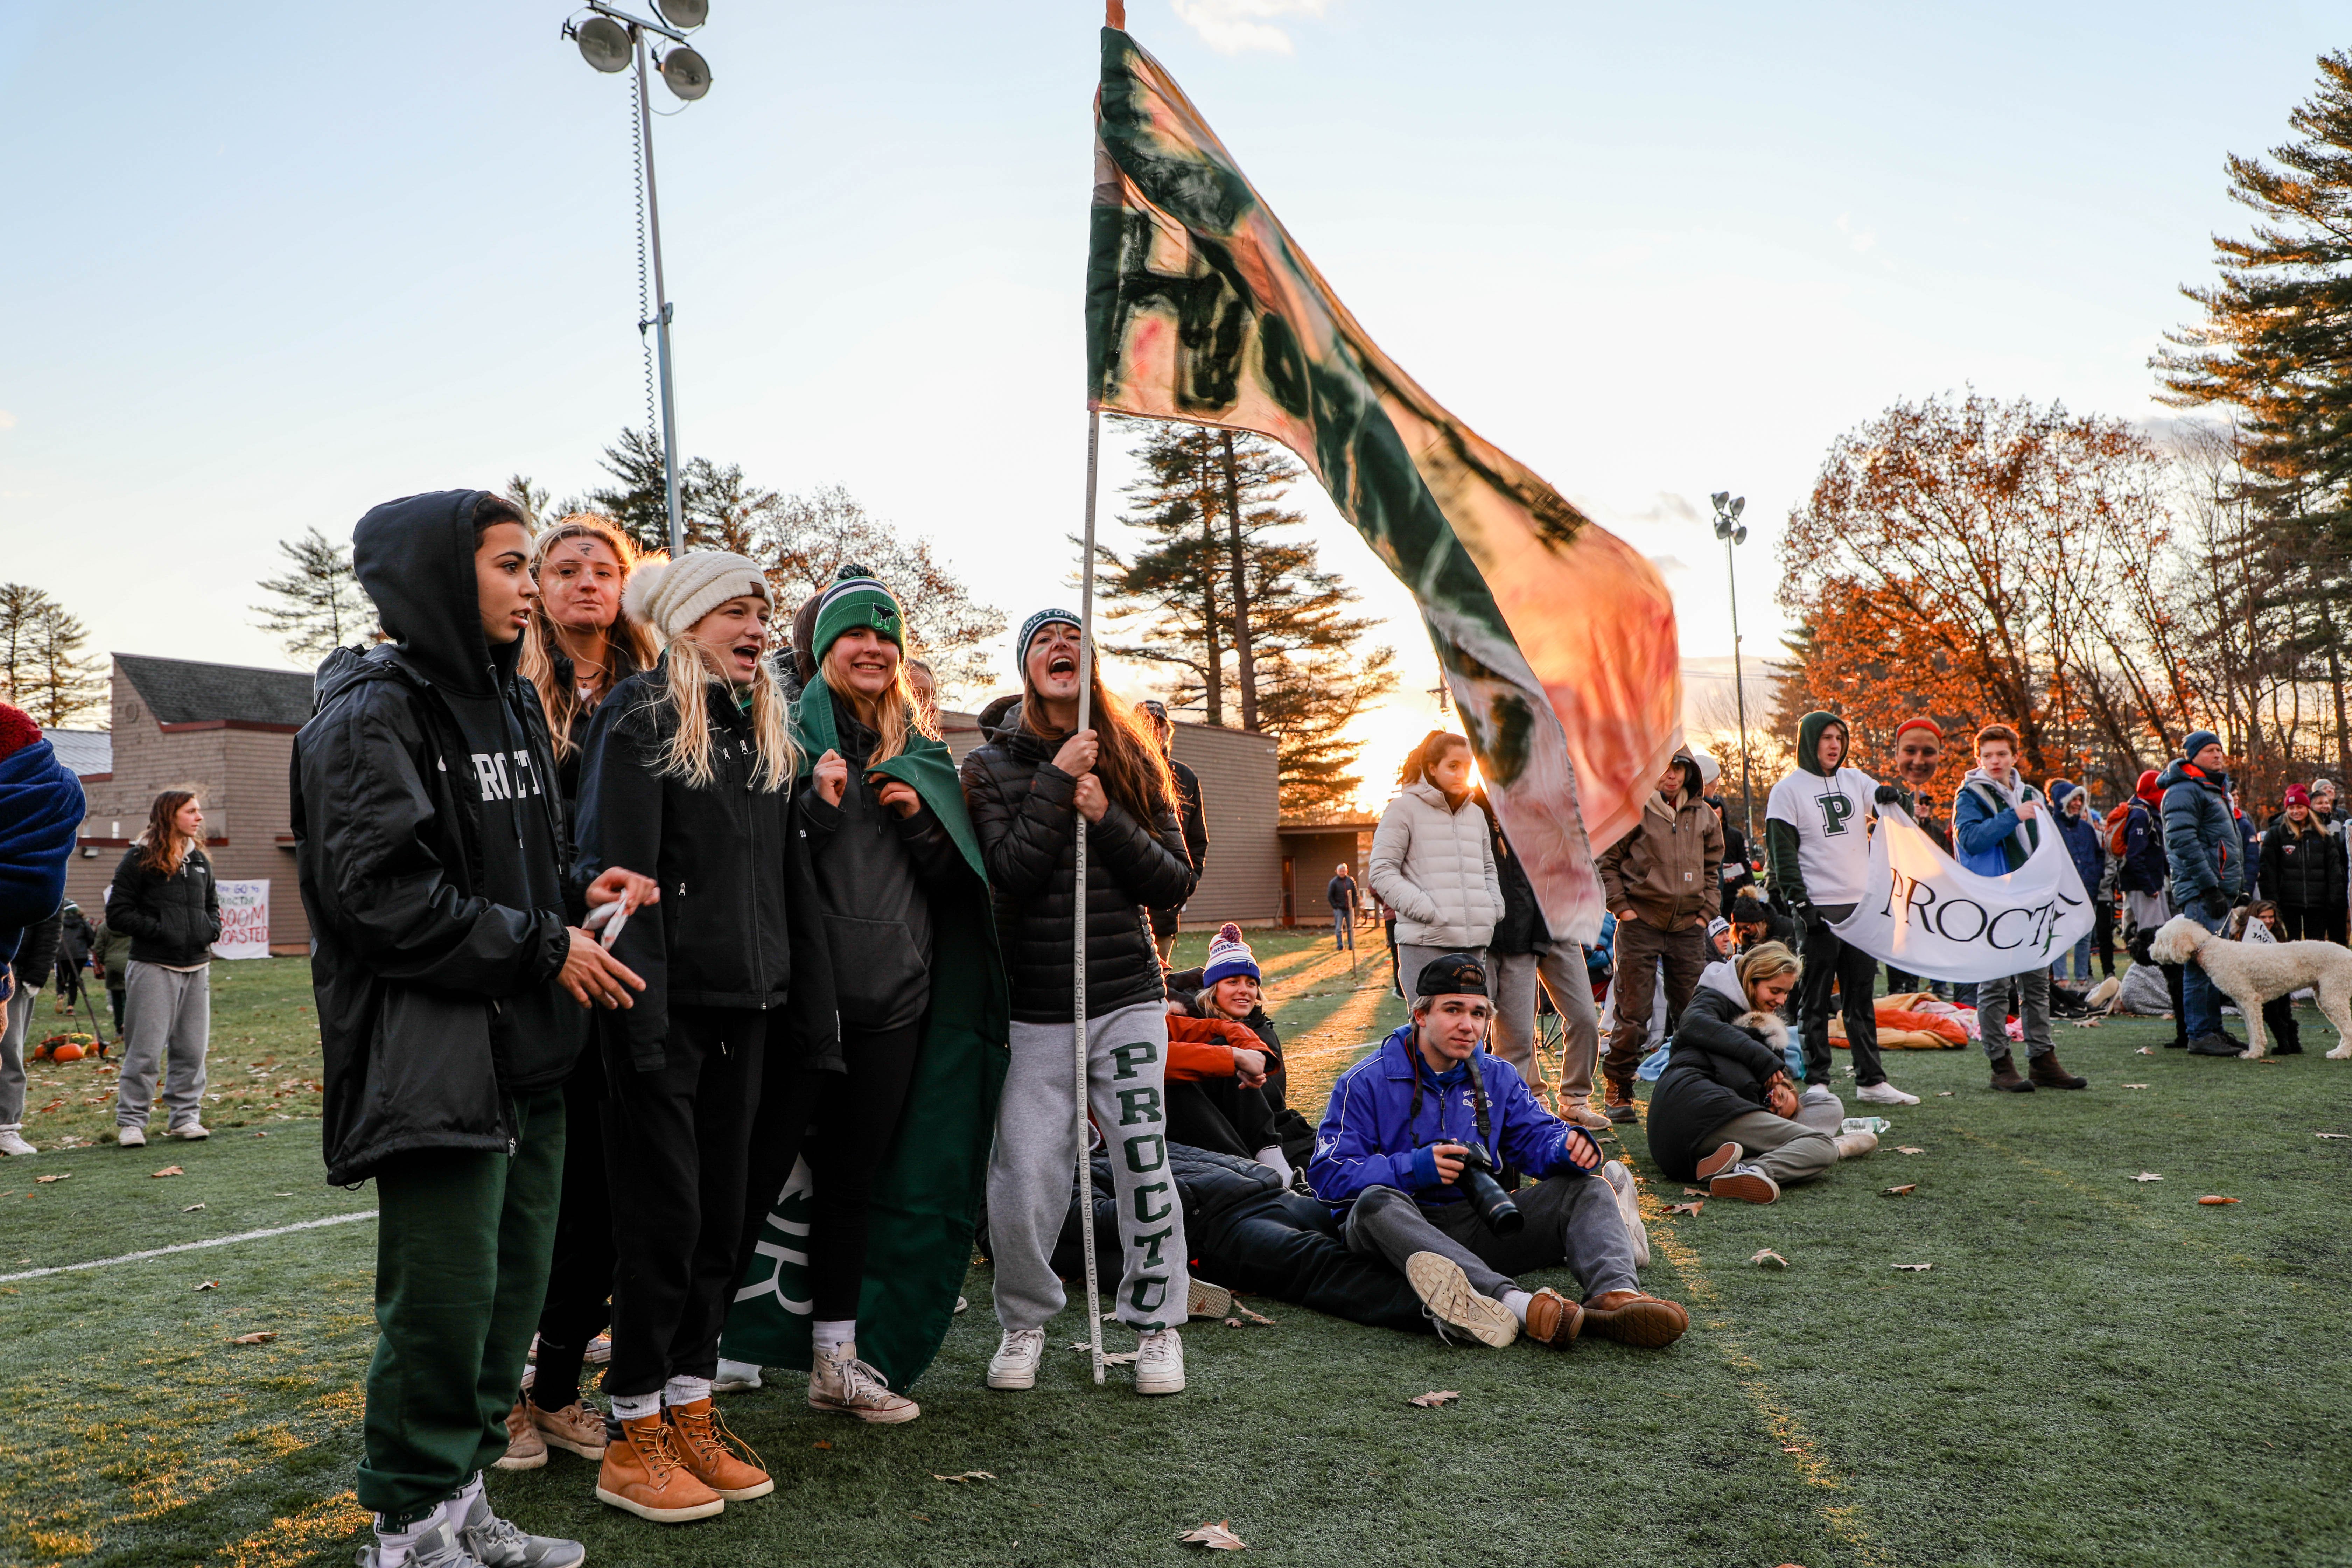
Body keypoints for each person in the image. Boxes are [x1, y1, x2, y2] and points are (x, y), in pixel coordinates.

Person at [295, 489, 650, 1568]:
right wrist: (542, 945)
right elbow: (379, 894)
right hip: (437, 1059)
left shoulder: (504, 701)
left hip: (528, 1053)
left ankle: (461, 1502)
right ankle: (404, 1528)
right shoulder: (369, 711)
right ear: (442, 577)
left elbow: (509, 868)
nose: (527, 587)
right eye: (507, 565)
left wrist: (578, 892)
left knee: (507, 1311)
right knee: (443, 1310)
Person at [575, 550, 830, 1519]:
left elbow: (786, 891)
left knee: (722, 1225)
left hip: (752, 1019)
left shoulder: (762, 729)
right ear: (684, 620)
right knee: (664, 1226)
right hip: (661, 1020)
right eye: (734, 609)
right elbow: (617, 877)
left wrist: (812, 1019)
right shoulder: (639, 714)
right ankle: (631, 1428)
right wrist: (642, 1026)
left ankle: (689, 1408)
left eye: (762, 611)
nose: (757, 626)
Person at [784, 563, 1006, 1424]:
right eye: (854, 634)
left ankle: (836, 1361)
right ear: (822, 650)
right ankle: (682, 1380)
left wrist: (917, 818)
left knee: (854, 1184)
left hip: (895, 1008)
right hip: (795, 1005)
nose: (872, 647)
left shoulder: (922, 753)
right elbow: (754, 874)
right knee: (745, 1184)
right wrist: (820, 807)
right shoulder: (784, 741)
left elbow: (959, 890)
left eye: (886, 634)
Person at [963, 609, 1199, 1397]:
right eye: (1043, 641)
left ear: (1092, 661)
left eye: (1074, 639)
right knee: (1025, 1173)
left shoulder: (1134, 755)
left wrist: (1109, 814)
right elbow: (1010, 876)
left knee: (1141, 1157)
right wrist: (1060, 783)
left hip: (1126, 995)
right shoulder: (988, 766)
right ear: (1025, 665)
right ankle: (1024, 1322)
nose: (1060, 648)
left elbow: (1173, 880)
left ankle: (1157, 1324)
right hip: (1033, 1005)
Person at [497, 513, 662, 1477]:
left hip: (640, 975)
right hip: (546, 968)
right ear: (540, 586)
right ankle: (504, 1398)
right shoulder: (512, 695)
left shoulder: (654, 689)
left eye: (605, 569)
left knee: (607, 1199)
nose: (587, 583)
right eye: (566, 569)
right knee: (536, 1202)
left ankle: (557, 1390)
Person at [1309, 952, 1688, 1351]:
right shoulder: (1365, 1080)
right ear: (1420, 1015)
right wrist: (1414, 1169)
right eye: (1452, 1009)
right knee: (1374, 1203)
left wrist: (1567, 1149)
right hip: (1399, 1234)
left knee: (1588, 1188)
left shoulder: (1498, 1074)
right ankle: (1517, 1304)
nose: (1467, 1025)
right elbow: (1328, 1176)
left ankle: (1615, 1297)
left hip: (1477, 1223)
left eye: (1478, 1013)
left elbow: (1536, 1139)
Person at [1645, 943, 1878, 1204]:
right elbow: (1696, 1028)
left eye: (1786, 993)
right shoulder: (1714, 1002)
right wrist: (1763, 1061)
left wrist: (1781, 1088)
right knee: (1823, 1148)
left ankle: (1731, 1164)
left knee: (1828, 1105)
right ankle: (1751, 1170)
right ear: (1751, 978)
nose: (1781, 1001)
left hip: (1677, 1148)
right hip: (1700, 1112)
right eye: (1775, 990)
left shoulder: (1754, 1025)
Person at [1765, 712, 1917, 1107]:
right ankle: (1818, 1081)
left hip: (1861, 911)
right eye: (1827, 737)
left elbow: (1896, 816)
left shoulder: (1855, 779)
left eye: (1840, 737)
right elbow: (1784, 857)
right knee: (1815, 998)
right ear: (1809, 740)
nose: (1834, 744)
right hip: (1820, 910)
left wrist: (1894, 797)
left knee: (1861, 997)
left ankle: (1871, 1080)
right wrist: (1802, 906)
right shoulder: (1787, 790)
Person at [1952, 727, 2087, 1092]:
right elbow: (1971, 840)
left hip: (2031, 899)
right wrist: (2014, 815)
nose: (1995, 761)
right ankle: (2001, 1064)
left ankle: (2043, 1059)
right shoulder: (1970, 795)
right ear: (1979, 759)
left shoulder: (2028, 793)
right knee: (1995, 984)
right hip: (1994, 900)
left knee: (2036, 984)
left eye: (2002, 754)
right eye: (1988, 755)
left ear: (2015, 756)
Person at [1595, 749, 1722, 1121]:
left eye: (1679, 769)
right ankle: (1619, 1085)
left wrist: (1705, 915)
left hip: (1688, 927)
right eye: (1664, 768)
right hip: (1640, 925)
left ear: (1689, 773)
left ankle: (1692, 1084)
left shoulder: (1704, 816)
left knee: (1693, 1012)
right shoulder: (1630, 811)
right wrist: (1623, 908)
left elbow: (1713, 868)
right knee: (1634, 1012)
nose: (1672, 776)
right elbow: (1606, 863)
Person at [1476, 790, 1609, 1132]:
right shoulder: (1483, 803)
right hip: (1514, 926)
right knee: (1517, 1027)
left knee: (1584, 1016)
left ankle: (1575, 1100)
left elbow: (1583, 857)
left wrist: (1591, 913)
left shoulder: (1557, 799)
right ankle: (1534, 1101)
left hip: (1559, 922)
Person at [105, 790, 222, 1146]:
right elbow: (118, 913)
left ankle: (185, 1118)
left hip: (196, 968)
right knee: (144, 1050)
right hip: (153, 967)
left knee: (191, 1050)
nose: (199, 818)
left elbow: (212, 906)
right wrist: (162, 931)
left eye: (199, 811)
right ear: (171, 815)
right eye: (191, 811)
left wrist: (209, 929)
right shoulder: (138, 859)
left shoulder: (200, 860)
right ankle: (132, 1123)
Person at [0, 702, 82, 1161]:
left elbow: (48, 914)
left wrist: (32, 973)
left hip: (17, 965)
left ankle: (7, 1125)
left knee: (11, 1054)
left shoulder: (36, 867)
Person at [1368, 732, 1502, 995]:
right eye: (1453, 766)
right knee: (1428, 1028)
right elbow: (1381, 870)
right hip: (1425, 942)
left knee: (1471, 1030)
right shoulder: (1402, 809)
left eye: (1467, 767)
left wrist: (1493, 908)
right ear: (1432, 768)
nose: (1461, 774)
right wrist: (1426, 910)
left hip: (1474, 942)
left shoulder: (1476, 815)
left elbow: (1488, 868)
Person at [2160, 731, 2248, 1057]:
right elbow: (2182, 842)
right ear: (2192, 755)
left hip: (2218, 889)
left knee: (2216, 964)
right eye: (2210, 750)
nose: (2218, 755)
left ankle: (2213, 1030)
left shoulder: (2212, 789)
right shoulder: (2184, 790)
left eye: (2220, 750)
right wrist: (2210, 886)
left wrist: (2232, 887)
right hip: (2202, 891)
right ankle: (2200, 1033)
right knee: (2200, 964)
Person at [1873, 716, 1948, 995]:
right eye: (1910, 751)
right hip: (1893, 907)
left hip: (1926, 909)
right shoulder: (1885, 810)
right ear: (1897, 754)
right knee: (1898, 972)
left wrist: (1924, 828)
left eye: (1928, 753)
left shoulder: (1937, 831)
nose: (1918, 760)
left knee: (1916, 974)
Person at [1140, 699, 1208, 965]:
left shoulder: (1185, 777)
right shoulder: (1118, 770)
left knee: (1162, 982)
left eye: (1159, 725)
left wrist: (1185, 885)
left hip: (1165, 906)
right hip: (1123, 909)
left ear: (1168, 731)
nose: (1153, 731)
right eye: (1145, 724)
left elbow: (1198, 840)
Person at [2261, 785, 2345, 946]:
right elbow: (2268, 868)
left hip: (2317, 902)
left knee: (2316, 947)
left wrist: (2334, 896)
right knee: (2289, 946)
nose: (2296, 811)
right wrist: (2271, 899)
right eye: (2291, 808)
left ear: (2307, 808)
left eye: (2300, 807)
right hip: (2287, 903)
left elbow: (2333, 867)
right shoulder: (2277, 833)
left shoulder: (2322, 834)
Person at [2046, 780, 2108, 984]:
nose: (2077, 803)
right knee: (2060, 935)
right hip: (2061, 893)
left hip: (2087, 891)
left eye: (2080, 799)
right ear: (2061, 802)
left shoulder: (2086, 829)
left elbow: (2099, 856)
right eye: (2073, 799)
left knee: (2085, 936)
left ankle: (2082, 978)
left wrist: (2095, 876)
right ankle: (2061, 978)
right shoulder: (2051, 827)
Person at [2228, 899, 2305, 1054]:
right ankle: (2285, 1044)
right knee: (2273, 1013)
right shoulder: (2241, 934)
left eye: (2271, 917)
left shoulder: (2278, 931)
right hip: (2258, 982)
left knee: (2284, 1012)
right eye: (2264, 917)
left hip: (2281, 978)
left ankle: (2292, 1045)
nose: (2269, 921)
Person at [89, 913, 131, 1042]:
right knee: (132, 997)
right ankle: (132, 1026)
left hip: (112, 965)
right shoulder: (131, 925)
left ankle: (119, 1028)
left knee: (117, 999)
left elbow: (99, 948)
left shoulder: (103, 927)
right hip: (130, 963)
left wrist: (105, 960)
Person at [1327, 862, 1358, 952]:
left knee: (1351, 928)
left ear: (1347, 871)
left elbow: (1356, 894)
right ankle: (1340, 946)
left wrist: (1354, 905)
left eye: (1344, 871)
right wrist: (1335, 906)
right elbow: (1330, 896)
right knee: (1339, 928)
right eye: (1340, 871)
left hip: (1350, 908)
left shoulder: (1351, 881)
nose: (1342, 873)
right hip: (1339, 909)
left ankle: (1351, 945)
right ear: (1337, 872)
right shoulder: (1334, 882)